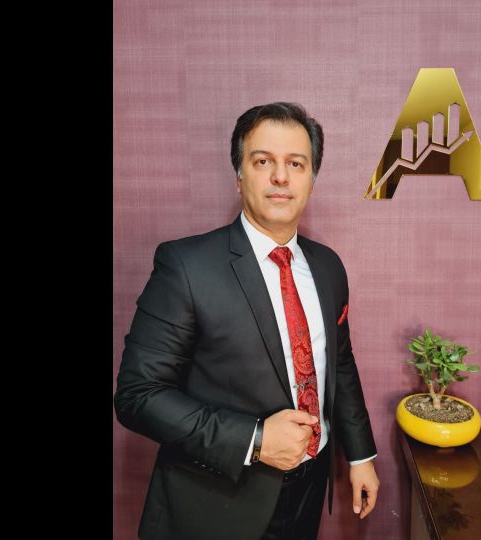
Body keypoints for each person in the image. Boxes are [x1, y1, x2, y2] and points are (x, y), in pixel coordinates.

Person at [115, 102, 379, 540]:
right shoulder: (186, 266)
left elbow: (341, 364)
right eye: (263, 161)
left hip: (309, 489)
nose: (281, 176)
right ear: (239, 176)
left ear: (311, 181)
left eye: (296, 163)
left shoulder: (329, 267)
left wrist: (360, 456)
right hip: (215, 504)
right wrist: (254, 439)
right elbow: (138, 396)